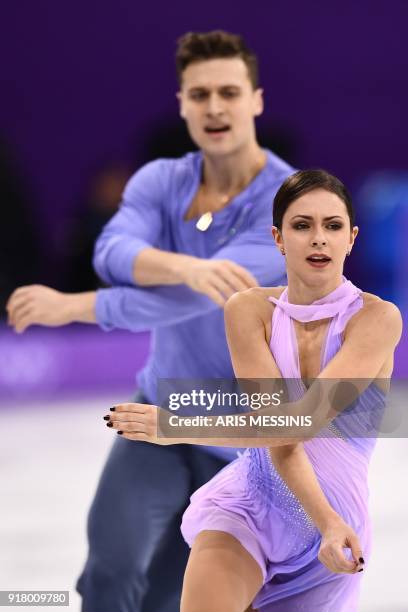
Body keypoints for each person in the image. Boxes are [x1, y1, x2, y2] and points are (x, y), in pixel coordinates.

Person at [6, 31, 295, 612]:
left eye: (229, 92)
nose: (215, 106)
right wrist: (186, 265)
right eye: (200, 93)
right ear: (183, 102)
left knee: (175, 594)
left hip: (245, 431)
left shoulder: (287, 203)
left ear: (256, 100)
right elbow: (112, 250)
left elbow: (203, 300)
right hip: (159, 409)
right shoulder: (161, 181)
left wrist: (74, 306)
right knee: (108, 577)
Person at [106, 169, 402, 611]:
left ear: (351, 238)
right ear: (278, 238)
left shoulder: (376, 320)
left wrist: (174, 426)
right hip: (249, 504)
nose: (318, 238)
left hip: (335, 525)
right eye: (302, 225)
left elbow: (299, 423)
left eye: (332, 225)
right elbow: (278, 431)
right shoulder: (249, 311)